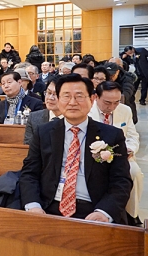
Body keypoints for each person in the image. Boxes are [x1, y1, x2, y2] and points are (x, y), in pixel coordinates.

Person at [20, 74, 133, 224]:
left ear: (92, 100)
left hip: (93, 208)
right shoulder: (44, 132)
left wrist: (104, 212)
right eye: (66, 96)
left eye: (79, 96)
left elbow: (122, 181)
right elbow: (29, 174)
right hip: (48, 206)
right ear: (59, 100)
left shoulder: (111, 135)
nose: (72, 102)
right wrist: (33, 206)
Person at [88, 81, 142, 225]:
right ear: (96, 97)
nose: (111, 107)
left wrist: (130, 149)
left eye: (116, 102)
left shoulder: (125, 110)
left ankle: (132, 214)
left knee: (135, 173)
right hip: (93, 155)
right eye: (107, 102)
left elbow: (132, 135)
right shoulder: (87, 111)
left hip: (121, 155)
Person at [24, 76, 62, 144]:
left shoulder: (75, 119)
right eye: (49, 93)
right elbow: (28, 147)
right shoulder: (34, 117)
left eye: (56, 94)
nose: (50, 98)